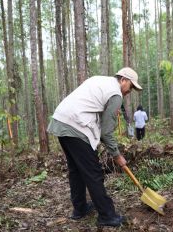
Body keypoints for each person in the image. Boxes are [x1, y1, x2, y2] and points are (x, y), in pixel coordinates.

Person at [47, 67, 142, 227]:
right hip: (76, 125)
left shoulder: (99, 80)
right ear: (123, 80)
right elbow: (106, 131)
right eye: (131, 87)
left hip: (60, 121)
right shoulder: (115, 93)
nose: (129, 91)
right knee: (93, 172)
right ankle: (107, 215)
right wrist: (117, 155)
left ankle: (80, 209)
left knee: (76, 169)